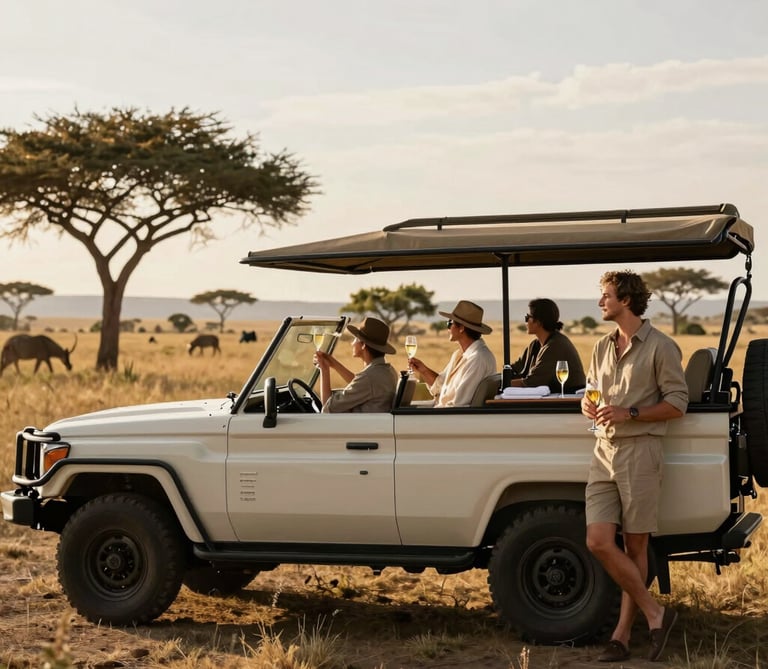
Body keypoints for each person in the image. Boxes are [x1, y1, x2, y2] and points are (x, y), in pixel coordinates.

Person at [581, 270, 688, 663]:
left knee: (635, 544)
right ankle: (656, 613)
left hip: (641, 451)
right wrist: (587, 406)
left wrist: (631, 412)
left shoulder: (661, 346)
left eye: (606, 296)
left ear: (625, 300)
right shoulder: (600, 346)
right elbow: (590, 390)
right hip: (603, 451)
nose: (600, 303)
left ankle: (622, 636)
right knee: (597, 540)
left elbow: (678, 403)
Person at [409, 300, 497, 407]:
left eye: (450, 323)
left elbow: (458, 404)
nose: (448, 328)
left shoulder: (478, 359)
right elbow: (441, 386)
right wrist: (423, 370)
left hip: (451, 420)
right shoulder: (459, 355)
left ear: (461, 328)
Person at [314, 317, 398, 413]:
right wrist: (334, 364)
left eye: (355, 339)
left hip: (363, 427)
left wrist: (324, 369)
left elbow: (328, 408)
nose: (352, 343)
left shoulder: (369, 377)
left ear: (363, 345)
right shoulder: (388, 371)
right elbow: (360, 384)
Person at [505, 298, 586, 394]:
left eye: (528, 317)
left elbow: (532, 382)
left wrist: (502, 385)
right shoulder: (535, 345)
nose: (526, 322)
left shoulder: (555, 346)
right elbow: (518, 367)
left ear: (539, 322)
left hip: (567, 400)